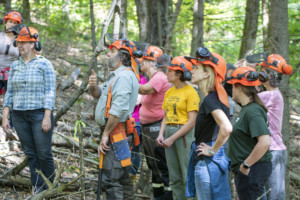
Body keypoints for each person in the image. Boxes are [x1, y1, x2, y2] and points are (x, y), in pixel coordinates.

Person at [2, 26, 56, 194]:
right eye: (18, 43)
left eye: (24, 43)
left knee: (44, 153)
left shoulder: (44, 64)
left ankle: (50, 188)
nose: (20, 46)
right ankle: (38, 188)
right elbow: (9, 92)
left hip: (39, 114)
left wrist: (47, 116)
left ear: (33, 44)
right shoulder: (15, 66)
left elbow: (50, 91)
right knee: (31, 154)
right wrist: (5, 117)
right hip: (19, 115)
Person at [89, 37, 139, 199]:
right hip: (116, 132)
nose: (108, 54)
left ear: (123, 56)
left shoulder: (124, 77)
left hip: (117, 133)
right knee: (122, 178)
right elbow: (98, 94)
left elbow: (118, 110)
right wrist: (92, 85)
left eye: (112, 51)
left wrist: (105, 134)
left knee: (111, 178)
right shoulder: (115, 76)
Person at [186, 47, 232, 200]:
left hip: (208, 163)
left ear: (206, 73)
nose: (191, 71)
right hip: (210, 163)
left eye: (196, 68)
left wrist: (212, 150)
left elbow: (226, 128)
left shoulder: (211, 100)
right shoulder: (216, 97)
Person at [156, 56, 199, 200]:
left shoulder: (191, 92)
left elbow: (192, 121)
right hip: (169, 132)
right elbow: (165, 115)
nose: (167, 73)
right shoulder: (169, 91)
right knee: (174, 177)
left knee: (187, 174)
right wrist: (161, 135)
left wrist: (173, 138)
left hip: (184, 135)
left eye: (170, 70)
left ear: (179, 74)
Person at [226, 66, 272, 200]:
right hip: (249, 171)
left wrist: (246, 165)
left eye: (233, 86)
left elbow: (265, 142)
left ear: (239, 87)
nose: (231, 89)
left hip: (252, 170)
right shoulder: (247, 109)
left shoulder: (252, 111)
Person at [256, 54, 293, 200]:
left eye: (263, 71)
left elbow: (247, 97)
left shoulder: (271, 96)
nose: (260, 74)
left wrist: (246, 71)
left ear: (270, 75)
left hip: (273, 151)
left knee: (275, 196)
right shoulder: (268, 94)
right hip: (267, 150)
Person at [138, 46, 172, 199]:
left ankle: (166, 195)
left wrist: (125, 82)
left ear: (150, 62)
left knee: (160, 163)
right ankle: (158, 194)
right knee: (153, 164)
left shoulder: (159, 77)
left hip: (156, 127)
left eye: (143, 60)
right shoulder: (154, 77)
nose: (140, 63)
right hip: (147, 127)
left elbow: (144, 90)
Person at [130, 73, 147, 184]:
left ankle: (131, 177)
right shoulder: (124, 75)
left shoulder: (142, 79)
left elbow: (137, 100)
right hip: (121, 118)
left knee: (135, 150)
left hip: (136, 120)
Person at [0, 11, 22, 95]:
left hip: (12, 74)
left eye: (14, 23)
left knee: (10, 99)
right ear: (5, 23)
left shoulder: (20, 40)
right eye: (10, 21)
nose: (12, 24)